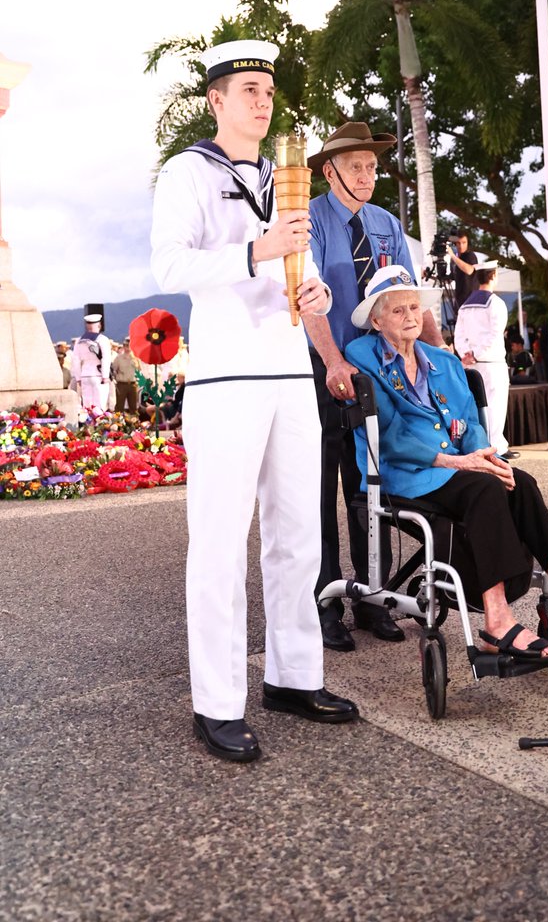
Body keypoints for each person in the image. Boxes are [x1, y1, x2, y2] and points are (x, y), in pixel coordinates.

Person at [150, 38, 357, 763]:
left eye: (268, 91)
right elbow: (168, 261)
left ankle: (294, 677)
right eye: (247, 90)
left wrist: (314, 290)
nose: (262, 102)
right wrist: (257, 251)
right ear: (216, 100)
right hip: (227, 377)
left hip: (289, 371)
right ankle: (216, 703)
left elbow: (293, 269)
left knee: (299, 532)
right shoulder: (187, 172)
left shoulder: (284, 173)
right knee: (218, 542)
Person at [345, 267, 548, 660]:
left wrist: (486, 457)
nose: (410, 316)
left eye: (413, 307)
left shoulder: (442, 361)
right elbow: (389, 437)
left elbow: (471, 421)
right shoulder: (362, 357)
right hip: (405, 473)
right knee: (485, 487)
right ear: (375, 320)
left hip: (456, 466)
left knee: (518, 481)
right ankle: (497, 619)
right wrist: (456, 462)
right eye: (397, 311)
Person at [303, 120, 448, 652]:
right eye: (356, 165)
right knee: (321, 492)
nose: (367, 174)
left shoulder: (387, 223)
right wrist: (334, 362)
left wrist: (438, 353)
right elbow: (308, 298)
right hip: (326, 373)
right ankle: (325, 603)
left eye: (372, 165)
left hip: (383, 376)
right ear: (329, 169)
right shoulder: (311, 220)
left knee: (370, 486)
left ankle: (373, 597)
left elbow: (408, 298)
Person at [453, 260, 517, 460]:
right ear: (493, 276)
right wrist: (478, 353)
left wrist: (466, 353)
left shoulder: (465, 306)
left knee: (475, 406)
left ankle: (480, 444)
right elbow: (495, 333)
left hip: (469, 363)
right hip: (491, 362)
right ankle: (496, 446)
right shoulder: (496, 303)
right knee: (495, 406)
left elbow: (458, 334)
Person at [69, 313, 112, 415]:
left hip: (85, 374)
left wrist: (78, 377)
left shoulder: (79, 340)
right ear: (99, 325)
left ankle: (87, 427)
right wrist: (105, 376)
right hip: (98, 374)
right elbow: (106, 358)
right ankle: (99, 427)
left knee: (87, 406)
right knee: (99, 405)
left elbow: (76, 359)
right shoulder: (102, 339)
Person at [448, 230, 478, 311]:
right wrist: (429, 275)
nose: (461, 246)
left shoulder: (470, 255)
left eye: (464, 242)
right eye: (458, 243)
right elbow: (450, 278)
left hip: (471, 302)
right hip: (459, 302)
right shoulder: (455, 260)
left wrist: (453, 256)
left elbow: (469, 270)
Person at [111, 338, 139, 413]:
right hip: (121, 384)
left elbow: (139, 370)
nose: (127, 348)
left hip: (133, 384)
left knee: (133, 407)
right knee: (119, 406)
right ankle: (118, 422)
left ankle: (134, 422)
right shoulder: (118, 358)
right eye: (126, 346)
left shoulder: (136, 358)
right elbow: (114, 369)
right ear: (123, 346)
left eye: (129, 346)